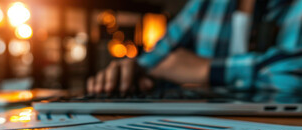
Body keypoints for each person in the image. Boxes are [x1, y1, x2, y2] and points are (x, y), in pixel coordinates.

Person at [87, 0, 302, 96]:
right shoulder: (206, 3)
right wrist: (130, 72)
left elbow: (295, 73)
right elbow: (157, 61)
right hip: (207, 121)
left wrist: (205, 69)